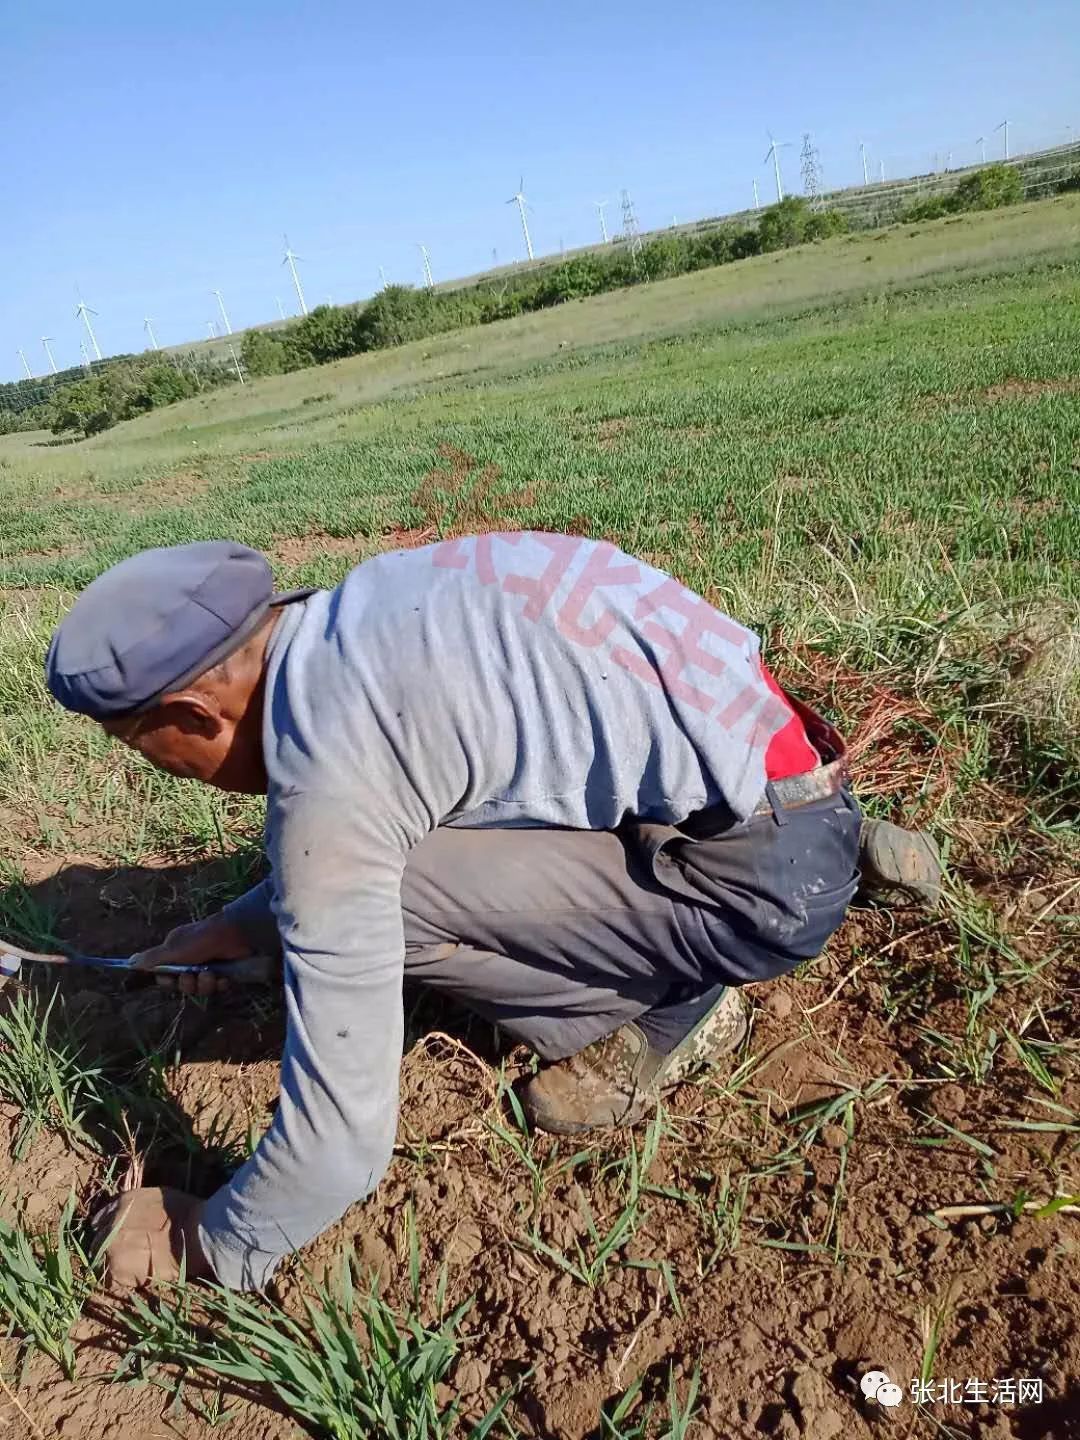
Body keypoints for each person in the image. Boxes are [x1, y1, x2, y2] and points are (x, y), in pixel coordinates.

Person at [44, 535, 940, 1292]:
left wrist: (207, 1243)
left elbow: (341, 1147)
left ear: (193, 715)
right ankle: (844, 842)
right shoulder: (368, 608)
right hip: (771, 759)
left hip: (764, 876)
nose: (161, 769)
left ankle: (672, 1004)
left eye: (144, 749)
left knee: (381, 895)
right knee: (394, 838)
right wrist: (251, 921)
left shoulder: (335, 779)